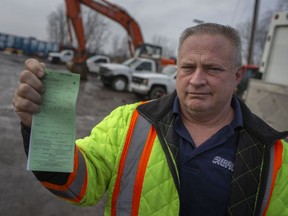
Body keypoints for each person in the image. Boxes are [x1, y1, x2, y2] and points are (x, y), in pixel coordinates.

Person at [12, 23, 288, 216]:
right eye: (188, 67)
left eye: (213, 68)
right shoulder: (129, 121)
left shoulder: (275, 154)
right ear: (176, 69)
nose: (197, 79)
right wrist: (41, 127)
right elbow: (79, 186)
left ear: (237, 76)